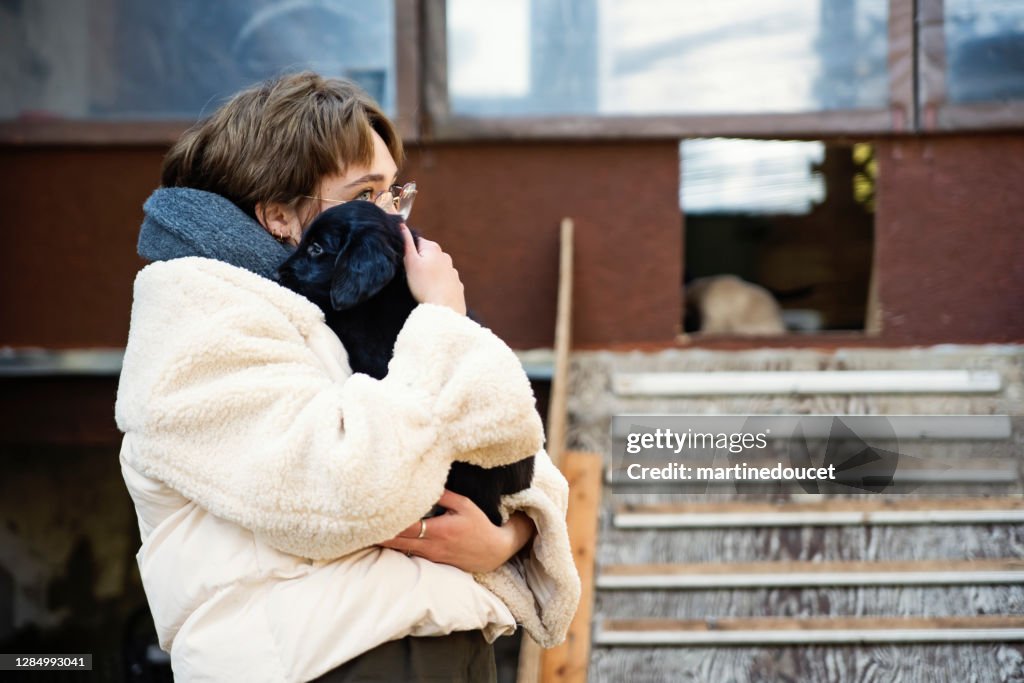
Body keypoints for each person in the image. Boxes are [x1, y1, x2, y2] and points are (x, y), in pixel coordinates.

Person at [115, 71, 580, 682]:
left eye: (395, 194)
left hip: (441, 647)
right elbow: (349, 486)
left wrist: (507, 537)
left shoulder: (349, 298)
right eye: (366, 197)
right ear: (279, 215)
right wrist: (442, 323)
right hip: (325, 661)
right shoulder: (199, 319)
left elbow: (521, 450)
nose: (393, 219)